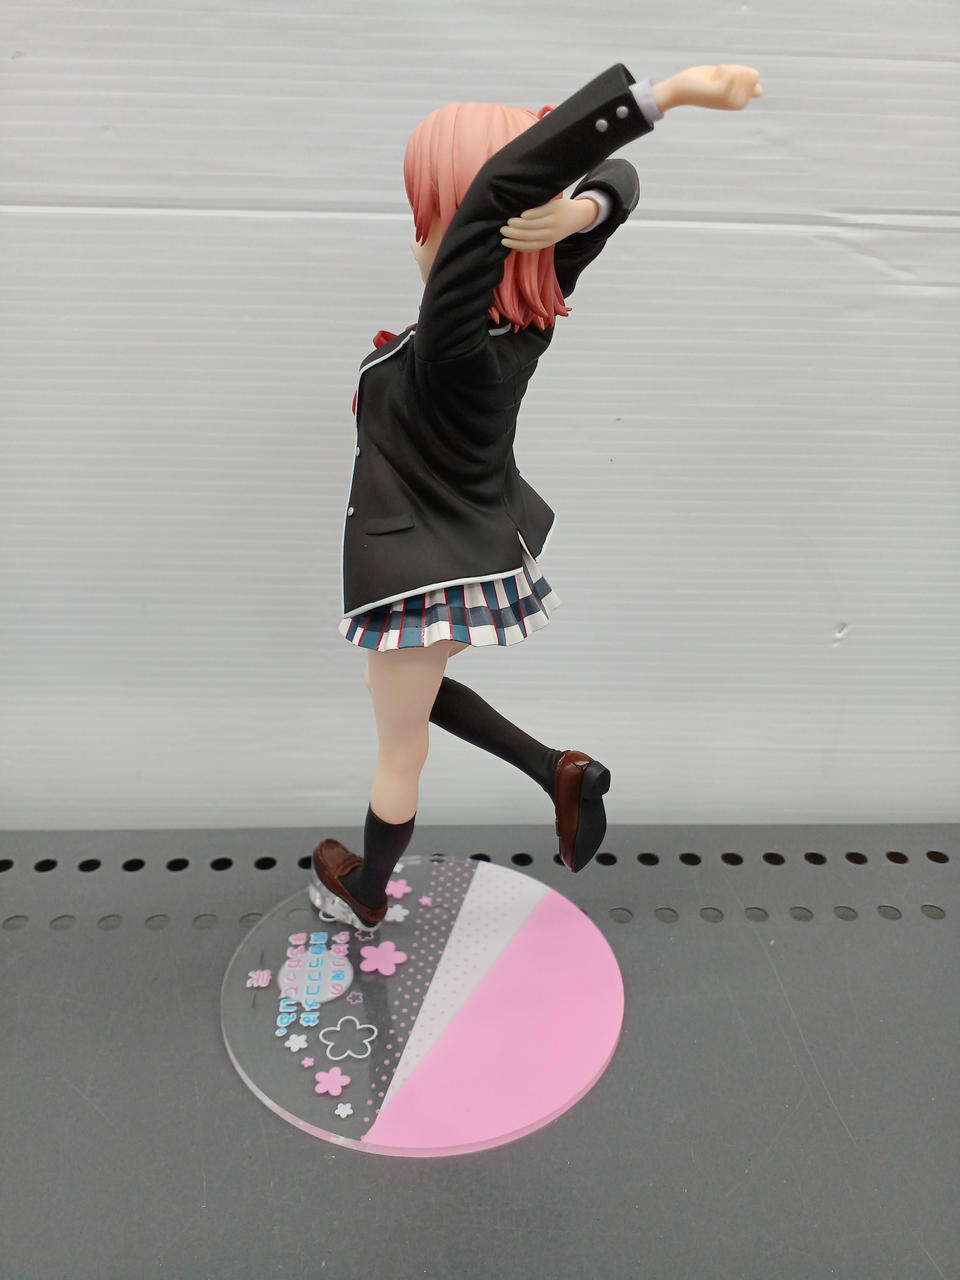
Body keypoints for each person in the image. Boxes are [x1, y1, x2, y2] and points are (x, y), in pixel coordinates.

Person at [310, 62, 763, 930]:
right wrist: (586, 212)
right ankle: (558, 771)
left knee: (398, 748)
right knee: (399, 684)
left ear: (468, 228)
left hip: (417, 566)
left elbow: (495, 196)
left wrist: (665, 95)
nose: (419, 232)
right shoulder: (530, 317)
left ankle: (366, 891)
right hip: (465, 546)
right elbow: (618, 183)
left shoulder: (454, 341)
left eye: (428, 213)